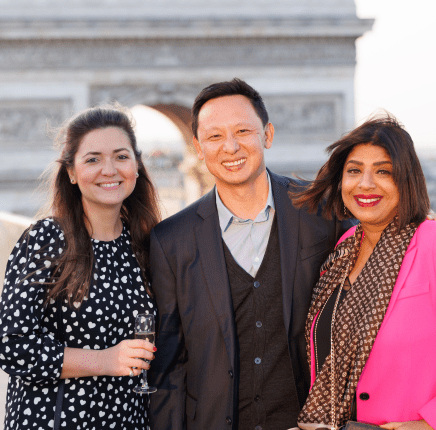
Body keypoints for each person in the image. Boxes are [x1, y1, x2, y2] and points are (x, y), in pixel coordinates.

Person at [148, 79, 352, 430]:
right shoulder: (171, 240)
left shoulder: (323, 212)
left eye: (243, 131)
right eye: (214, 136)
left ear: (267, 135)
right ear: (197, 147)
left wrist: (421, 226)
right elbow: (168, 365)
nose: (230, 147)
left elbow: (377, 253)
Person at [292, 115, 436, 430]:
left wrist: (433, 423)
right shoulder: (344, 248)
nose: (365, 184)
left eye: (383, 171)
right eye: (354, 170)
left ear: (406, 180)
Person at [0, 106, 160, 430]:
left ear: (137, 165)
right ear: (71, 171)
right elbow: (10, 345)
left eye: (121, 157)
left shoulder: (145, 244)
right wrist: (104, 360)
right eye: (93, 159)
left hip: (128, 420)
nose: (109, 170)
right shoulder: (46, 240)